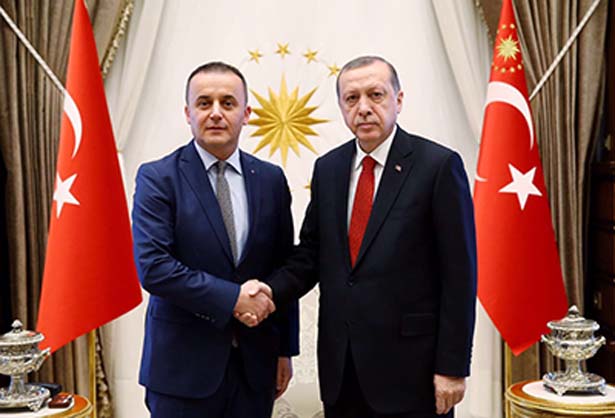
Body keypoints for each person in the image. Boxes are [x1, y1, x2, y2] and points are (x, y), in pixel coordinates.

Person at [244, 56, 477, 417]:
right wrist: (270, 292)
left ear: (398, 100)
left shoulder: (438, 166)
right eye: (351, 98)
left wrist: (453, 367)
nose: (364, 108)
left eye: (375, 95)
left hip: (413, 373)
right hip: (343, 371)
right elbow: (310, 256)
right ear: (341, 107)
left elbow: (460, 275)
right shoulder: (329, 169)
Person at [132, 61, 299, 418]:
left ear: (246, 113)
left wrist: (285, 349)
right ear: (188, 113)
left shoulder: (270, 179)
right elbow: (154, 268)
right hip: (182, 371)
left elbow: (284, 266)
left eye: (228, 102)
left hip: (255, 367)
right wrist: (233, 299)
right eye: (204, 103)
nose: (216, 113)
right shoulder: (158, 178)